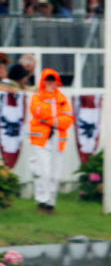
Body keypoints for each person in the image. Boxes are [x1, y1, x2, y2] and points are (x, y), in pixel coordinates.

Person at [28, 69, 74, 214]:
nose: (50, 83)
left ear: (56, 81)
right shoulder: (37, 96)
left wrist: (49, 121)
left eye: (52, 80)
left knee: (56, 174)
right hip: (41, 140)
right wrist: (55, 119)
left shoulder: (62, 98)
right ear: (42, 81)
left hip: (57, 140)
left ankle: (50, 204)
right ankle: (41, 202)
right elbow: (39, 111)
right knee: (43, 172)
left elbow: (67, 120)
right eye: (47, 80)